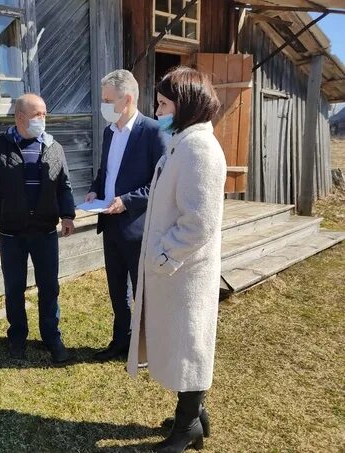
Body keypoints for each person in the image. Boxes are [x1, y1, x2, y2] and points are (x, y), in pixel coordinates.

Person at [126, 66, 226, 453]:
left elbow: (199, 222)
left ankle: (186, 429)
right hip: (177, 271)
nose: (158, 108)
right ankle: (195, 416)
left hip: (185, 271)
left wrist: (163, 253)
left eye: (164, 102)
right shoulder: (182, 142)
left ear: (184, 105)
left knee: (191, 347)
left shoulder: (199, 149)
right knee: (184, 344)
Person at [0, 93, 75, 363]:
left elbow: (64, 185)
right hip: (11, 233)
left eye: (45, 114)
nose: (43, 119)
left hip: (44, 232)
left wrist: (67, 215)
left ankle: (51, 336)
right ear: (20, 117)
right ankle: (17, 338)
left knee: (49, 287)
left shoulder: (54, 147)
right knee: (14, 288)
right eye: (38, 115)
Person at [85, 69, 166, 361]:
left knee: (143, 292)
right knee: (117, 289)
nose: (103, 105)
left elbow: (161, 183)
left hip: (138, 226)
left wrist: (127, 201)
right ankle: (121, 341)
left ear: (127, 98)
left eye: (108, 99)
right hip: (110, 223)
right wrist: (96, 190)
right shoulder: (110, 132)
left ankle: (146, 349)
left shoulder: (153, 132)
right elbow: (105, 172)